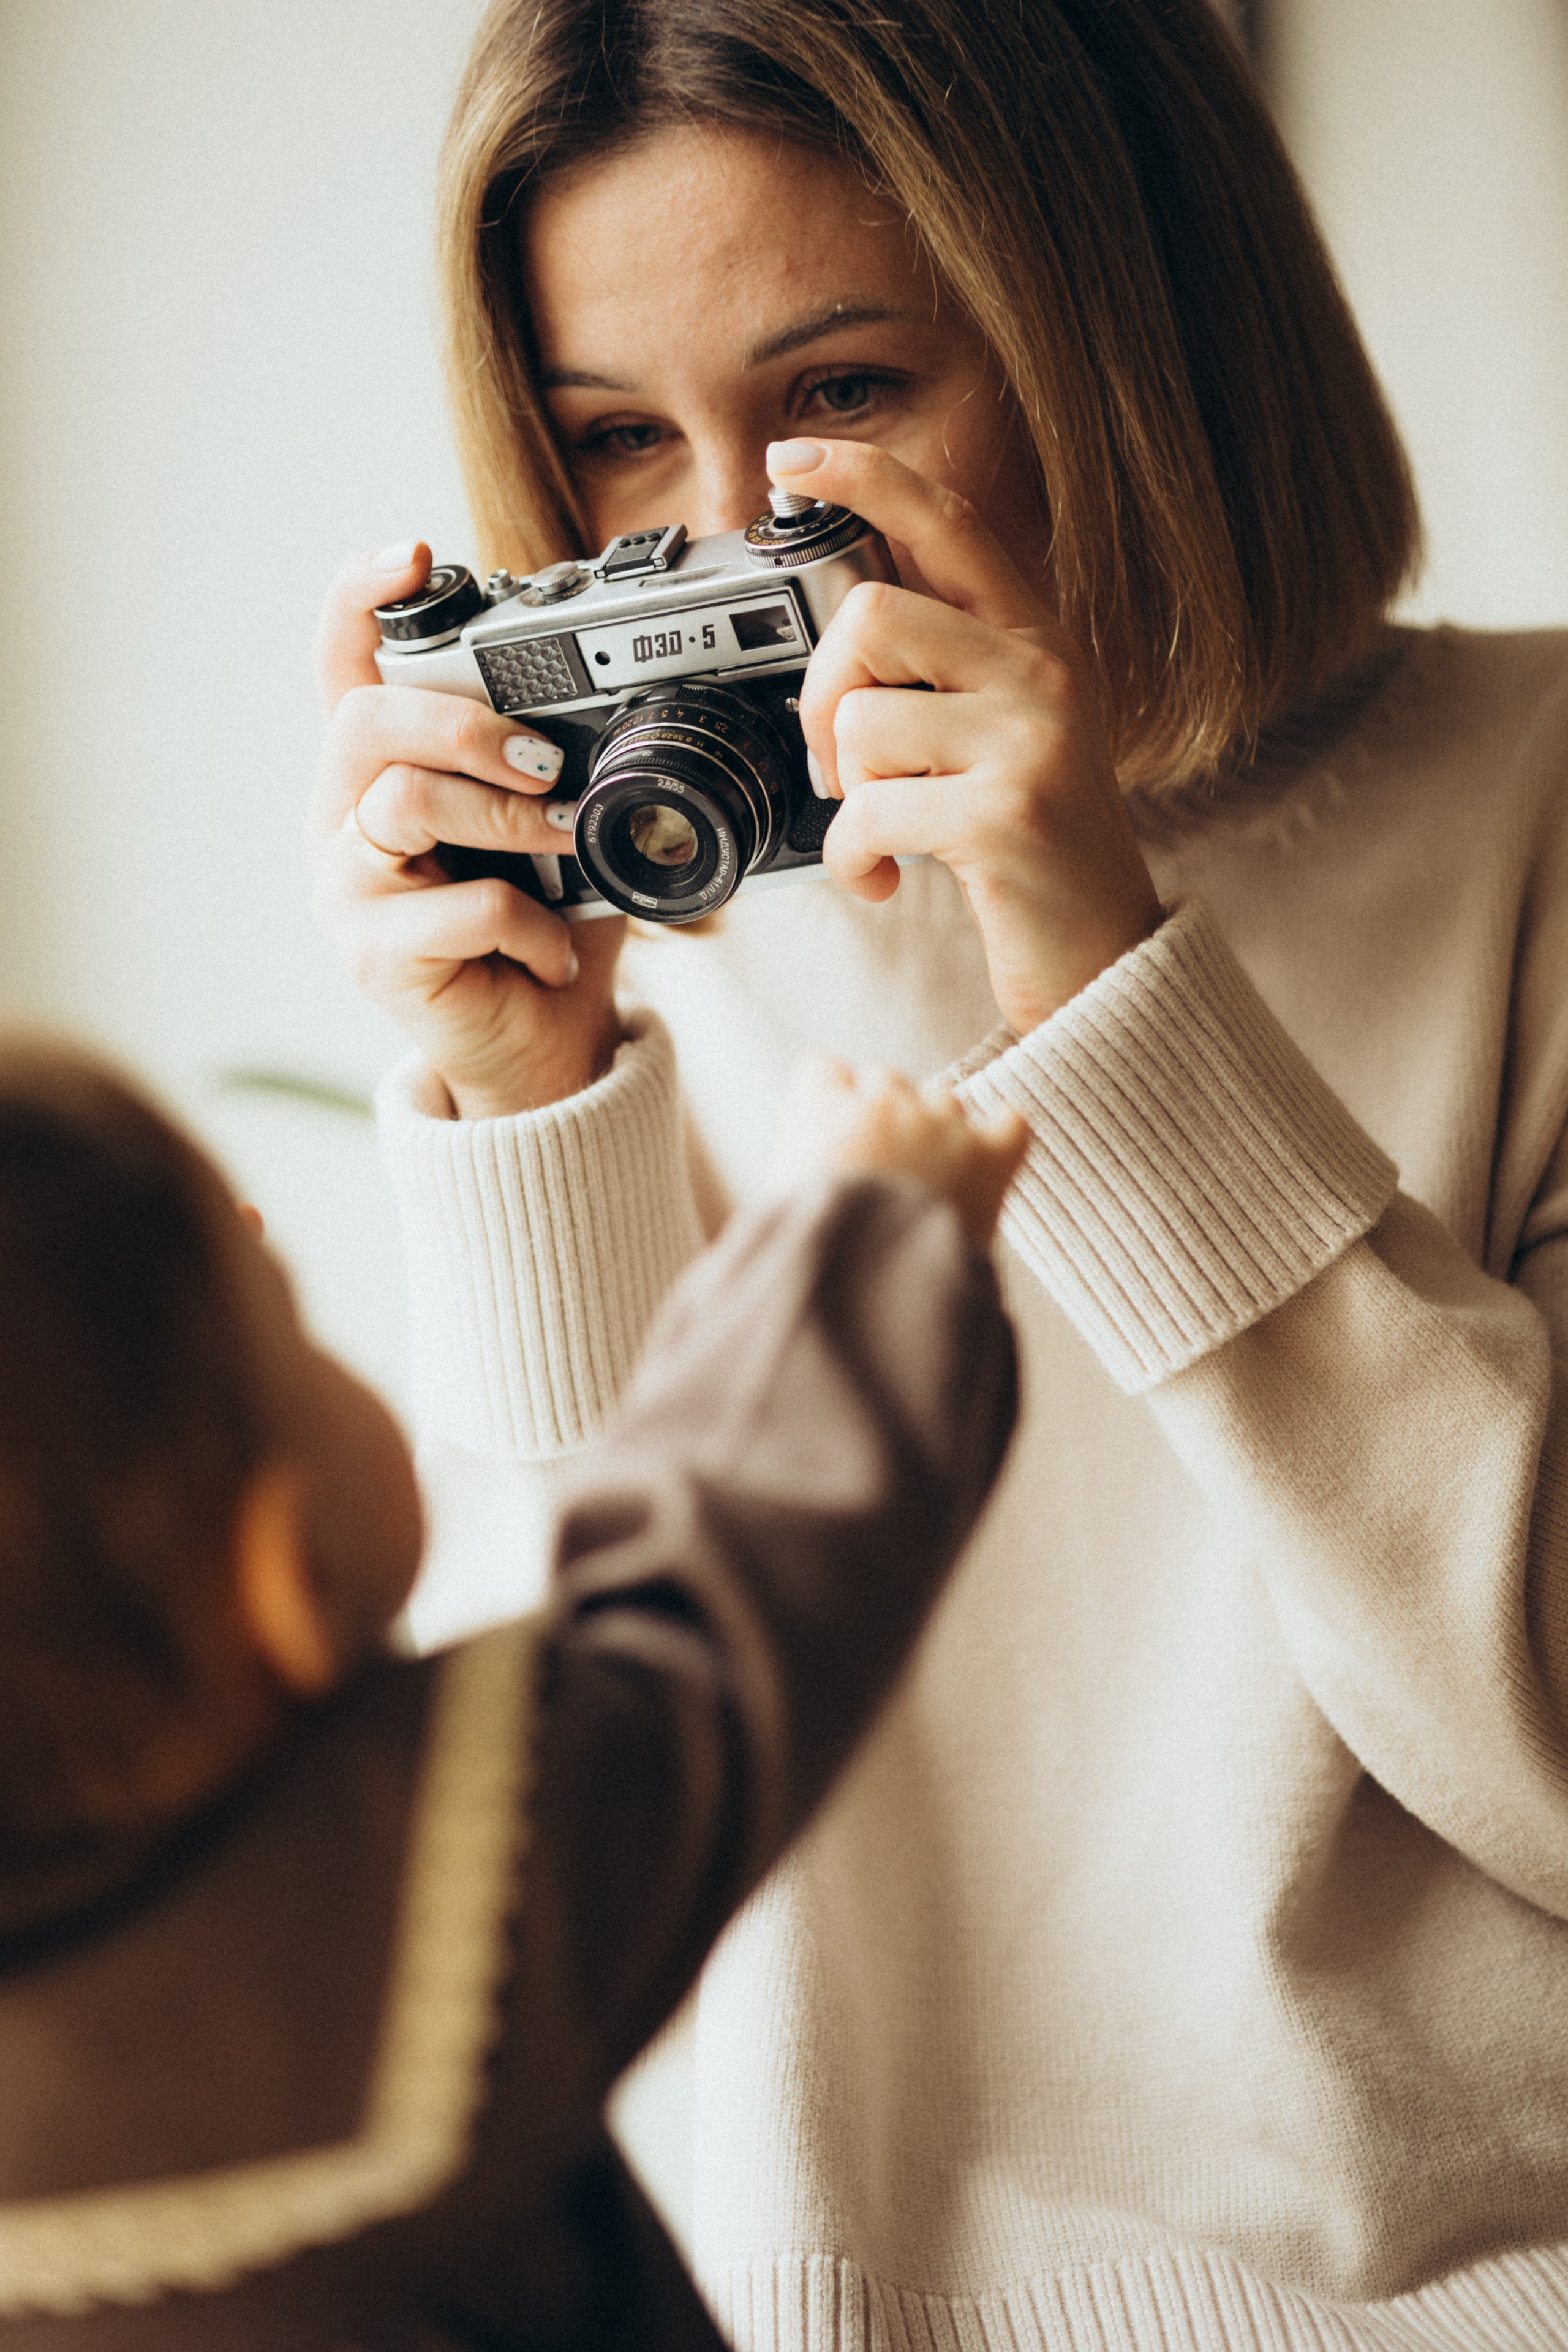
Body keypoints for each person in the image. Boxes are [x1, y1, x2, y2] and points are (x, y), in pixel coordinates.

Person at [309, 1, 1568, 2345]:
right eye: (611, 442)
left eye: (845, 397)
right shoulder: (645, 923)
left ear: (1120, 329)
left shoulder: (1537, 806)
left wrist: (1102, 978)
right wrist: (530, 1119)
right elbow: (584, 1868)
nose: (726, 544)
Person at [0, 1037, 1022, 2347]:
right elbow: (715, 1610)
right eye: (291, 1308)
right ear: (288, 1581)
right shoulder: (411, 1919)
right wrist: (871, 1234)